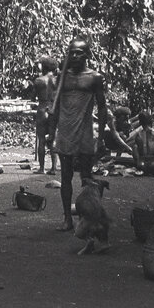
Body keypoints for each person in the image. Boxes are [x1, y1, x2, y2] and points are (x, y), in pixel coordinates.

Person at [46, 38, 108, 232]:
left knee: (87, 178)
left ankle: (89, 217)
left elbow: (103, 106)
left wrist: (102, 136)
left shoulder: (94, 77)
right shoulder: (61, 78)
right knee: (65, 177)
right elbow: (54, 109)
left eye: (79, 52)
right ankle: (67, 218)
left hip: (85, 131)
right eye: (71, 52)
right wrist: (51, 133)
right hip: (65, 131)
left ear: (87, 54)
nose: (74, 56)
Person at [32, 56, 60, 175]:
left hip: (42, 109)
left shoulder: (38, 80)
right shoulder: (58, 81)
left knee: (42, 140)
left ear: (44, 67)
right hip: (53, 109)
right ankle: (53, 168)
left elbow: (33, 97)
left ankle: (42, 168)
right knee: (53, 139)